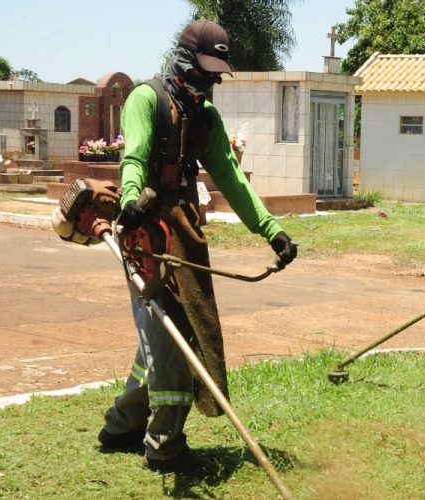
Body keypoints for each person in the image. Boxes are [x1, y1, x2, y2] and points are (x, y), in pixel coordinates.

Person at [96, 19, 298, 473]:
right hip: (145, 231)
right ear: (184, 60)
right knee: (167, 336)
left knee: (169, 330)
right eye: (204, 71)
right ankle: (163, 445)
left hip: (185, 232)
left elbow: (230, 178)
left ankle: (122, 424)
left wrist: (271, 230)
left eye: (215, 74)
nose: (210, 82)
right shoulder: (146, 99)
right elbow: (134, 157)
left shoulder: (204, 117)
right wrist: (130, 202)